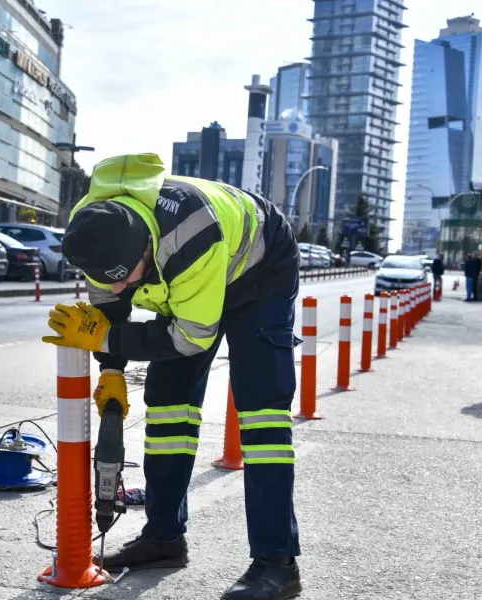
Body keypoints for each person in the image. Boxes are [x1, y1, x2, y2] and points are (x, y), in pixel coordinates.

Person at [42, 153, 303, 600]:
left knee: (262, 416)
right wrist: (111, 370)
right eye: (109, 279)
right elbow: (109, 309)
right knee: (167, 407)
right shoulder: (95, 232)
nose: (118, 287)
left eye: (125, 278)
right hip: (190, 277)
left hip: (259, 272)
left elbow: (191, 337)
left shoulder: (189, 235)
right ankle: (163, 538)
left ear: (147, 247)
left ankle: (277, 564)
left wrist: (107, 339)